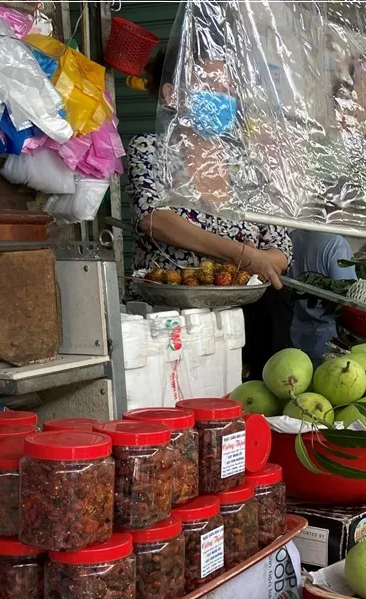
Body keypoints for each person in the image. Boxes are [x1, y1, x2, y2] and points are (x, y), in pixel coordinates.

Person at [127, 44, 294, 374]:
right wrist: (243, 255)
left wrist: (259, 263)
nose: (223, 98)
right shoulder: (150, 150)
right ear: (171, 95)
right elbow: (153, 218)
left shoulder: (246, 164)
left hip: (244, 313)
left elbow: (280, 247)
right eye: (210, 88)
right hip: (174, 312)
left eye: (228, 89)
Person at [289, 229, 356, 365]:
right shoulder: (336, 244)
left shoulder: (293, 235)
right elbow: (347, 295)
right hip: (327, 336)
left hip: (297, 329)